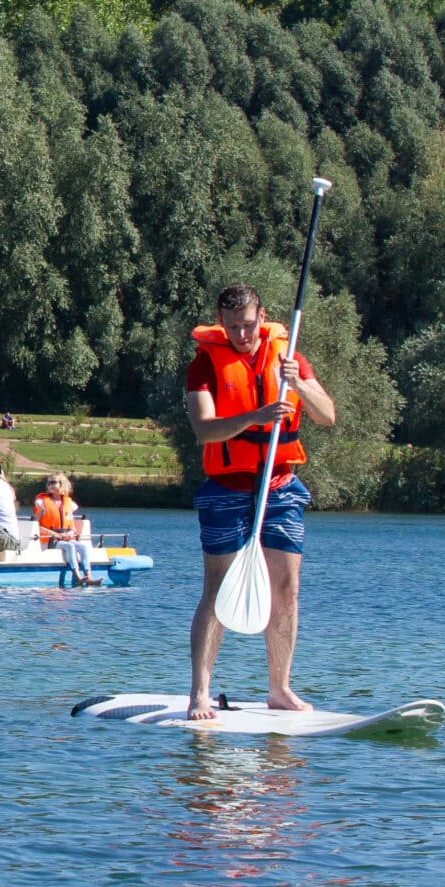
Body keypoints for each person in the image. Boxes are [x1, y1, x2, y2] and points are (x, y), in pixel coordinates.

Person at [185, 281, 337, 720]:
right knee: (216, 590)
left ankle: (280, 688)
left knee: (286, 591)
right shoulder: (204, 366)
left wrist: (297, 385)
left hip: (280, 486)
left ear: (261, 316)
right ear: (222, 324)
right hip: (227, 488)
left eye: (249, 325)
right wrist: (254, 416)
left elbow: (327, 416)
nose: (242, 335)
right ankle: (200, 692)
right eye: (232, 327)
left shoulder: (287, 356)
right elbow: (204, 430)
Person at [33, 472, 95, 585]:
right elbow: (35, 525)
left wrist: (71, 532)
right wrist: (52, 533)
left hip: (65, 537)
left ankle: (88, 576)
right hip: (49, 540)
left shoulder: (68, 503)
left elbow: (71, 523)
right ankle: (77, 576)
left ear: (61, 484)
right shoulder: (42, 502)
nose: (50, 485)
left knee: (83, 547)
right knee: (70, 546)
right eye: (48, 483)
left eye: (53, 482)